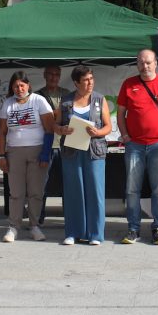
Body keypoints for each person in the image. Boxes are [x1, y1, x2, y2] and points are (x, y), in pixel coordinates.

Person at [117, 49, 158, 245]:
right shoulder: (129, 84)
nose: (144, 66)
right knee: (132, 190)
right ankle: (133, 229)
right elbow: (120, 114)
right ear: (137, 64)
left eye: (148, 62)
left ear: (156, 63)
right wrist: (126, 136)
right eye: (141, 62)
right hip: (134, 146)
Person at [55, 66, 112, 245]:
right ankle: (73, 232)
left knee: (95, 191)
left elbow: (108, 126)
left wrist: (98, 132)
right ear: (76, 83)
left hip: (95, 151)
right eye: (86, 80)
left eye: (91, 79)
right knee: (73, 191)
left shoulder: (99, 99)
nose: (90, 83)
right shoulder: (65, 101)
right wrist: (62, 129)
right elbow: (55, 125)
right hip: (71, 151)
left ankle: (95, 234)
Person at [0, 71, 55, 243]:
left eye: (22, 85)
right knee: (16, 192)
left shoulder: (39, 100)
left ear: (28, 85)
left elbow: (50, 129)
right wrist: (1, 156)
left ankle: (34, 226)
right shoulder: (8, 103)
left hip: (37, 151)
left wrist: (45, 154)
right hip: (14, 152)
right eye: (16, 86)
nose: (19, 89)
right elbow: (2, 132)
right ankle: (13, 227)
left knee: (36, 192)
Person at [36, 65, 70, 224]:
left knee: (67, 184)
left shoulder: (67, 94)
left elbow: (69, 117)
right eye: (50, 74)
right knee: (41, 185)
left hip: (64, 145)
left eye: (57, 74)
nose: (53, 77)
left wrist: (53, 115)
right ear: (45, 75)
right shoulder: (37, 96)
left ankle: (69, 218)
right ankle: (38, 218)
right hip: (45, 145)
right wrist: (56, 114)